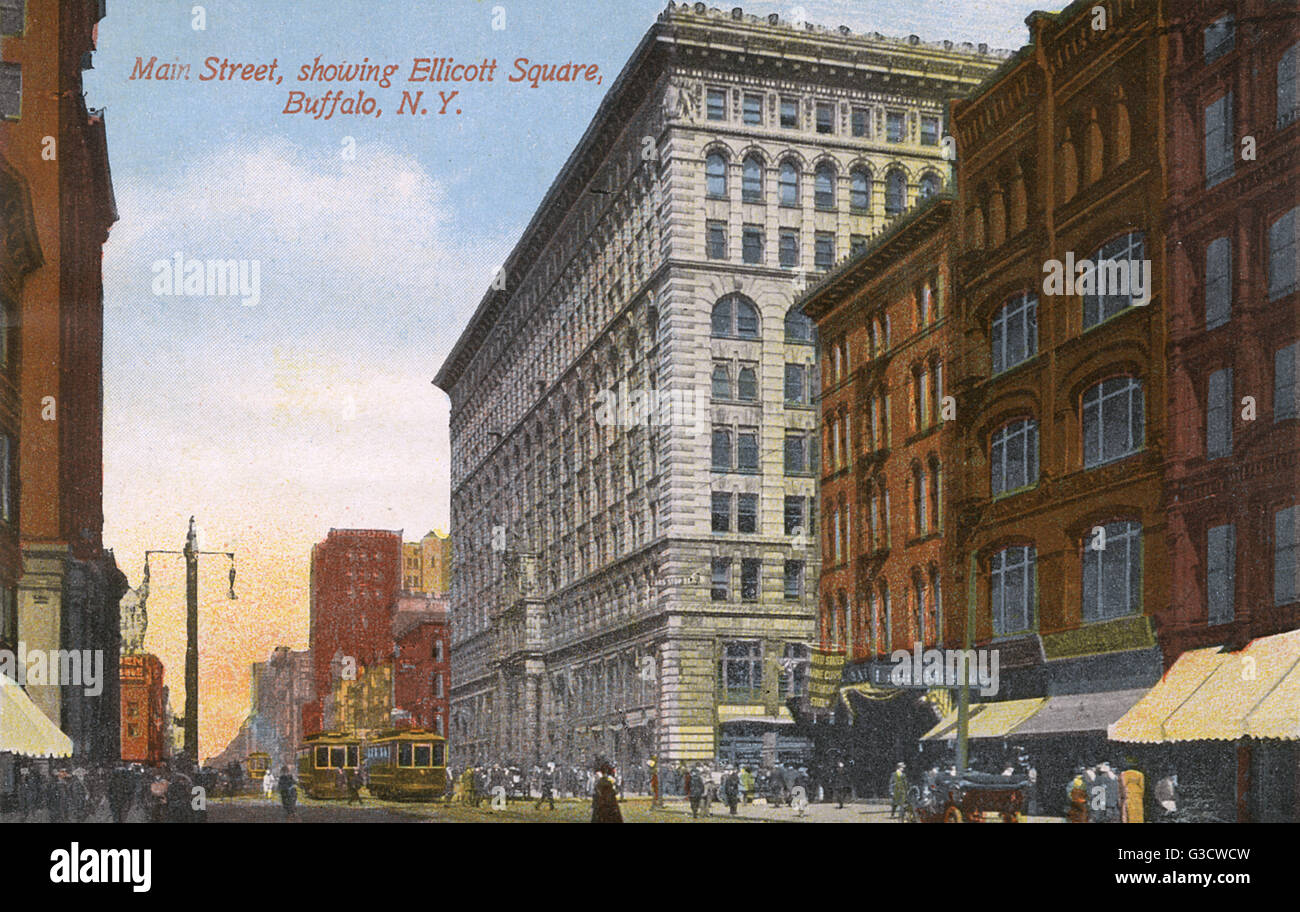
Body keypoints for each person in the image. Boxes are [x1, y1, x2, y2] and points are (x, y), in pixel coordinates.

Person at [1120, 759, 1145, 823]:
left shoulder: (1125, 774)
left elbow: (1123, 785)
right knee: (1138, 813)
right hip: (1137, 796)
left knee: (1128, 813)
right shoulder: (1140, 774)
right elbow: (1142, 787)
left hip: (1128, 794)